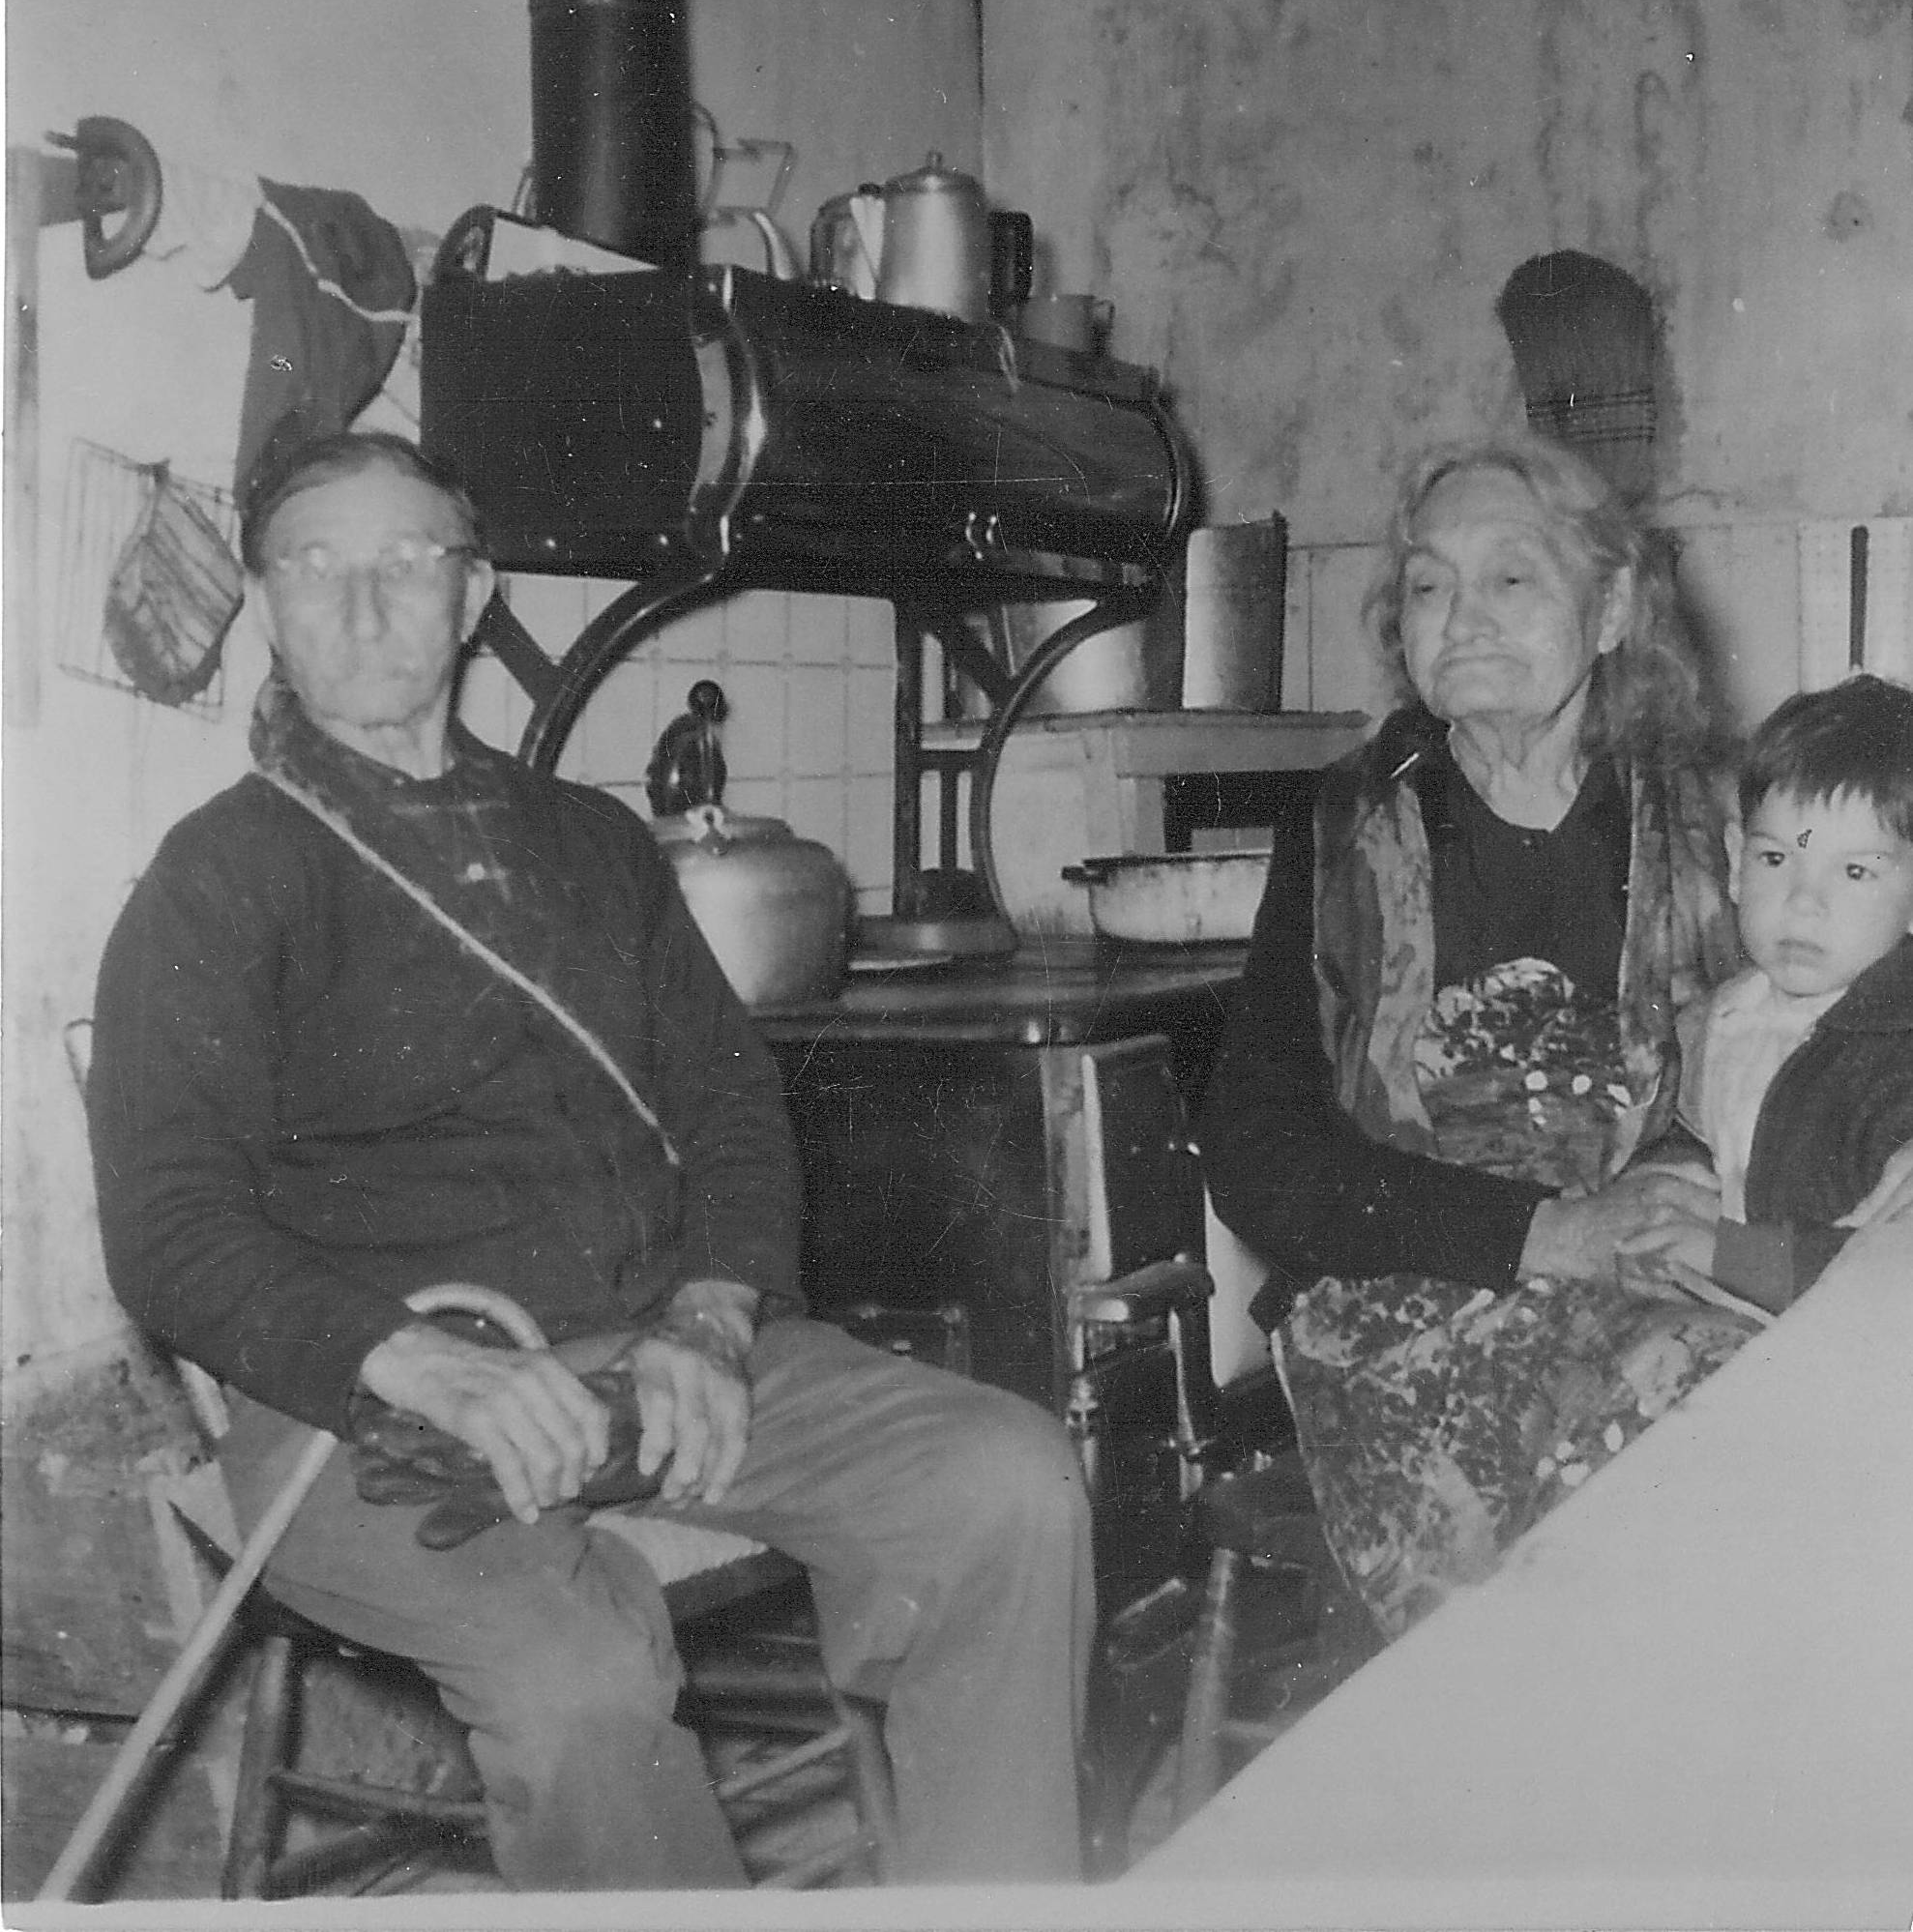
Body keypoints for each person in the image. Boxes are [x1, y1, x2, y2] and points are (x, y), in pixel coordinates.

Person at [85, 430, 1094, 1890]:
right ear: (266, 604)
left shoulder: (593, 841)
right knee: (577, 1681)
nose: (361, 605)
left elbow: (732, 1105)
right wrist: (433, 1369)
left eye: (405, 560)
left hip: (653, 1351)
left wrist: (712, 1318)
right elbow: (167, 1227)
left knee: (1007, 1481)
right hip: (369, 1404)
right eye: (313, 566)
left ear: (473, 592)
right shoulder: (218, 875)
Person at [1200, 431, 1764, 1642]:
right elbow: (1253, 1153)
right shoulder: (1344, 830)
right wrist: (1545, 1233)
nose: (1460, 618)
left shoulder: (1711, 824)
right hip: (1400, 1304)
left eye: (1510, 576)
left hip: (1658, 1269)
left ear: (1609, 609)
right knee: (1702, 1437)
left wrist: (1688, 1173)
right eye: (1427, 585)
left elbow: (1804, 1047)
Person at [1622, 674, 1913, 1315]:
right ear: (1734, 861)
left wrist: (1729, 1256)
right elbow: (1689, 1132)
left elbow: (1893, 1269)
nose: (1803, 903)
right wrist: (1662, 1186)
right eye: (1776, 860)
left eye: (1856, 871)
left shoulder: (1898, 1057)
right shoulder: (1721, 1017)